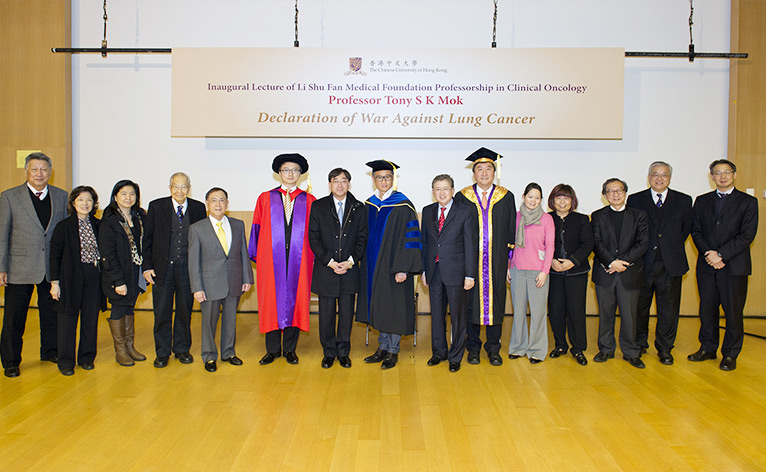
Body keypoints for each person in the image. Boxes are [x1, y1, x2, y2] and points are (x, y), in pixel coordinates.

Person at [0, 152, 68, 378]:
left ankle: (50, 351)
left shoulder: (61, 196)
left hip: (51, 267)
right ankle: (11, 361)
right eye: (35, 169)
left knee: (52, 314)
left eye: (44, 170)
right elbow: (2, 234)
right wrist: (2, 267)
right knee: (14, 317)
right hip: (19, 267)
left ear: (50, 172)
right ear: (26, 171)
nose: (39, 174)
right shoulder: (9, 197)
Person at [688, 159, 758, 371]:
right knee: (707, 309)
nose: (722, 176)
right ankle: (708, 348)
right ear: (712, 177)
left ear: (734, 175)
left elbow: (747, 234)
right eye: (717, 173)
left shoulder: (748, 202)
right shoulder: (701, 201)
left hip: (734, 266)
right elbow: (696, 230)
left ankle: (730, 353)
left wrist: (721, 255)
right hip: (707, 264)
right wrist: (710, 254)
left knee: (733, 311)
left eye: (727, 172)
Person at [357, 160, 423, 370]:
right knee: (380, 306)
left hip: (394, 268)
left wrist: (403, 267)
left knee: (392, 307)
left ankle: (392, 350)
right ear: (373, 179)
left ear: (393, 180)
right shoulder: (369, 204)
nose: (383, 181)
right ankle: (382, 347)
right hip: (372, 267)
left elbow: (410, 239)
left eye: (387, 177)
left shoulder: (403, 205)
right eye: (379, 177)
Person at [250, 154, 315, 365]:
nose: (290, 174)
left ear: (301, 174)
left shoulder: (309, 200)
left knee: (295, 302)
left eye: (295, 170)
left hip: (299, 260)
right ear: (279, 173)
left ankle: (289, 349)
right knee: (271, 302)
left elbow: (314, 234)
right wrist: (260, 257)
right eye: (286, 170)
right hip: (271, 260)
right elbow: (256, 230)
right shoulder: (265, 198)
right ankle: (271, 350)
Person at [454, 147, 516, 366]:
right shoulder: (462, 197)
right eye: (479, 169)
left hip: (497, 262)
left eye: (488, 168)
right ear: (474, 173)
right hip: (470, 263)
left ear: (494, 171)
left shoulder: (506, 196)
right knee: (470, 304)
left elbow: (510, 231)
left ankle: (493, 348)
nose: (484, 173)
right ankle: (472, 348)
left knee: (496, 304)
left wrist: (509, 262)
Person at [626, 161, 692, 365]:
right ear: (649, 177)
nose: (659, 178)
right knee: (640, 307)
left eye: (664, 175)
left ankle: (665, 348)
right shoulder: (636, 199)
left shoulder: (683, 200)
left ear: (670, 178)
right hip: (643, 263)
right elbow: (632, 230)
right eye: (655, 174)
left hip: (671, 263)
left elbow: (685, 229)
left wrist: (668, 247)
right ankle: (639, 344)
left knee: (668, 309)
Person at [143, 172, 206, 368]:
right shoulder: (156, 206)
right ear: (170, 187)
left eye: (184, 186)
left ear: (189, 187)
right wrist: (147, 267)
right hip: (162, 269)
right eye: (175, 186)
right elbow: (147, 239)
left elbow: (202, 240)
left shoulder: (198, 208)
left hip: (187, 269)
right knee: (161, 311)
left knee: (184, 310)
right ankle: (162, 352)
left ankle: (182, 349)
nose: (180, 190)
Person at [189, 187, 253, 373]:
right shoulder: (197, 228)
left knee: (230, 319)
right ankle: (209, 356)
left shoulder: (238, 224)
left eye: (222, 200)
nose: (218, 204)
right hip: (208, 284)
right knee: (209, 321)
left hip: (234, 280)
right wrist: (197, 287)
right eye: (213, 200)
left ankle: (228, 352)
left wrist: (247, 277)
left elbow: (243, 253)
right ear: (207, 204)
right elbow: (194, 261)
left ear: (227, 203)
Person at [308, 168, 368, 369]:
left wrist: (350, 261)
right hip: (326, 269)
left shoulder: (359, 207)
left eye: (344, 181)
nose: (340, 185)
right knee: (325, 315)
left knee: (345, 314)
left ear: (349, 184)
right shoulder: (318, 206)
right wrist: (330, 261)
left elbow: (362, 238)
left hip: (349, 270)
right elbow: (313, 238)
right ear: (330, 184)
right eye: (336, 181)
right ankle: (328, 352)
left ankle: (343, 352)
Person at [421, 174, 476, 373]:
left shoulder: (465, 212)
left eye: (445, 188)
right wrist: (425, 271)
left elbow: (471, 245)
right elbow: (426, 244)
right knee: (436, 315)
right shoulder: (427, 212)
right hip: (434, 272)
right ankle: (439, 353)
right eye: (437, 189)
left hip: (457, 273)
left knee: (458, 317)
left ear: (452, 190)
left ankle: (455, 356)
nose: (441, 192)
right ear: (433, 191)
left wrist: (470, 275)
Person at [591, 178, 649, 369]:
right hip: (605, 273)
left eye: (619, 190)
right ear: (604, 195)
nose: (615, 194)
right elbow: (597, 243)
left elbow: (642, 243)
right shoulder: (598, 216)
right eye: (610, 191)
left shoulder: (639, 216)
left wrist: (622, 263)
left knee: (630, 315)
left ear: (625, 192)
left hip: (629, 272)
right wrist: (611, 262)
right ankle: (606, 349)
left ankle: (631, 352)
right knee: (605, 314)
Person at [49, 186, 105, 376]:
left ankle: (86, 358)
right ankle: (65, 361)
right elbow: (54, 256)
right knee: (67, 319)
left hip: (93, 276)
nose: (85, 203)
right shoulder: (63, 226)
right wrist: (55, 282)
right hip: (69, 276)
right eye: (81, 200)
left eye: (89, 200)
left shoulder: (98, 225)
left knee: (90, 318)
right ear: (73, 203)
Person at [99, 180, 147, 367]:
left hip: (135, 271)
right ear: (115, 196)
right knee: (119, 308)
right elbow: (108, 254)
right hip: (117, 274)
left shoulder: (139, 217)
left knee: (129, 307)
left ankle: (130, 347)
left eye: (132, 194)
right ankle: (120, 351)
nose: (128, 198)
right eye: (124, 194)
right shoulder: (110, 220)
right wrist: (118, 280)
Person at [546, 184, 593, 366]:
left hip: (576, 272)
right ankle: (560, 345)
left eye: (566, 198)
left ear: (572, 200)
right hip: (553, 272)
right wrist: (551, 262)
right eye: (559, 198)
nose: (562, 201)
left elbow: (588, 244)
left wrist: (572, 261)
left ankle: (578, 348)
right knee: (556, 310)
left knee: (576, 310)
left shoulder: (582, 220)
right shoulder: (546, 219)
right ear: (553, 200)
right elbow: (541, 244)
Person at [507, 183, 555, 364]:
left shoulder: (547, 219)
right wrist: (507, 267)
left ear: (541, 200)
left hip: (538, 273)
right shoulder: (516, 217)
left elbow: (550, 246)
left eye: (537, 197)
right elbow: (510, 245)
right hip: (517, 270)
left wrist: (545, 271)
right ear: (523, 196)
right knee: (518, 311)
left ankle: (537, 350)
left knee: (538, 313)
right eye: (530, 197)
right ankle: (518, 347)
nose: (533, 201)